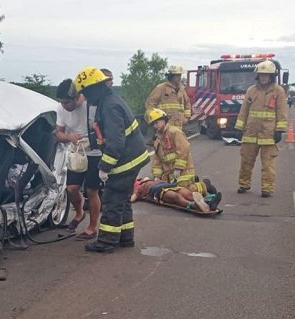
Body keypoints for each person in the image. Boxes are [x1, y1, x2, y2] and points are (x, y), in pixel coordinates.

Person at [73, 66, 150, 253]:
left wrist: (104, 167)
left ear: (94, 88)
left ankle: (107, 241)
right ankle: (125, 237)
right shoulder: (109, 100)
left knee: (112, 200)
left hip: (125, 161)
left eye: (86, 92)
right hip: (132, 158)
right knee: (122, 200)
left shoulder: (108, 106)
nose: (86, 97)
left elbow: (115, 142)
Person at [54, 78, 103, 240]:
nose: (64, 106)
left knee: (91, 190)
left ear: (77, 98)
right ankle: (80, 212)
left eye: (67, 102)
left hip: (94, 154)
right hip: (75, 153)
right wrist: (69, 137)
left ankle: (92, 227)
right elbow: (58, 133)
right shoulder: (61, 110)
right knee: (72, 189)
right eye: (62, 102)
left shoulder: (90, 106)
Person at [234, 60, 289, 198]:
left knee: (268, 164)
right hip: (250, 133)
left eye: (267, 75)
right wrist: (239, 127)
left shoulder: (278, 92)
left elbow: (282, 112)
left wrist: (280, 130)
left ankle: (267, 189)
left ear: (272, 76)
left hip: (269, 135)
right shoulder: (251, 91)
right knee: (246, 161)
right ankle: (244, 184)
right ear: (257, 76)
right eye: (261, 74)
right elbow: (244, 111)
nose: (264, 77)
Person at [145, 108, 204, 193]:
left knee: (184, 191)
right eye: (154, 124)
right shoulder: (157, 140)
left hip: (183, 172)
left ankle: (204, 187)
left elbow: (184, 148)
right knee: (168, 193)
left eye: (156, 123)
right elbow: (157, 160)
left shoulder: (174, 132)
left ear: (163, 120)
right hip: (169, 176)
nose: (155, 126)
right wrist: (157, 176)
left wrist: (178, 167)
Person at [130, 176, 222, 212]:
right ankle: (194, 205)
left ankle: (209, 203)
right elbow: (133, 198)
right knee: (176, 197)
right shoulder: (137, 188)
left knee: (189, 194)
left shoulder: (145, 179)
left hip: (168, 185)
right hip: (157, 191)